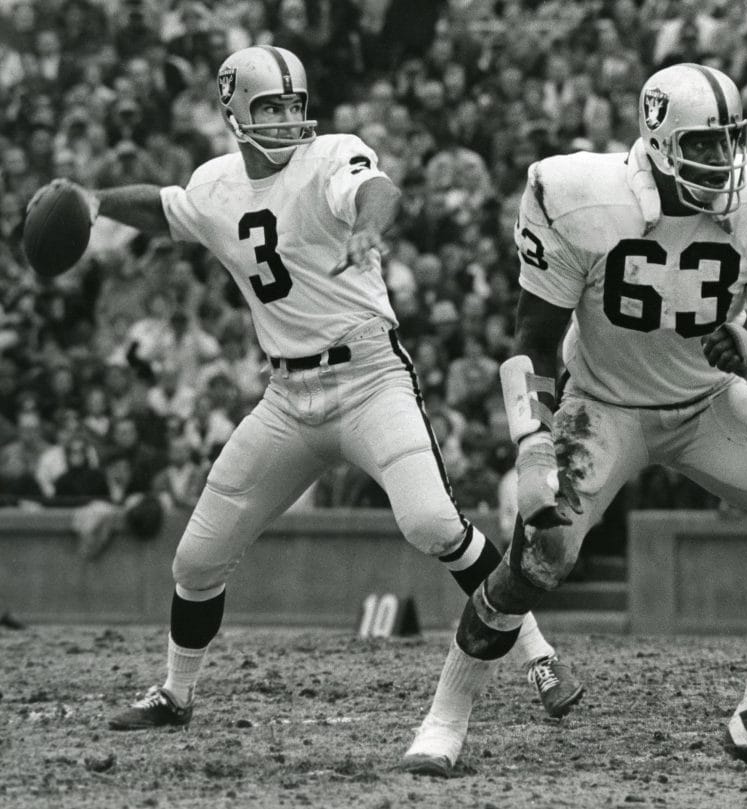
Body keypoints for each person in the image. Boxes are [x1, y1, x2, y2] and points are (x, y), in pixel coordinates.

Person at [28, 46, 580, 731]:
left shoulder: (330, 156)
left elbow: (377, 191)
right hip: (288, 397)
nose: (289, 118)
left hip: (370, 377)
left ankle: (539, 655)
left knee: (433, 523)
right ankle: (176, 691)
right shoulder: (216, 185)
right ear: (233, 112)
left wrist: (369, 230)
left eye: (294, 103)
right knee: (196, 559)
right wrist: (96, 201)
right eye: (270, 106)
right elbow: (168, 209)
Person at [401, 63, 747, 776]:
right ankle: (446, 715)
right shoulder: (579, 199)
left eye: (729, 142)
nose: (722, 161)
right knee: (538, 562)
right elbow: (530, 343)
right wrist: (531, 440)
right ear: (656, 141)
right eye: (703, 145)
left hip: (707, 403)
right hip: (602, 406)